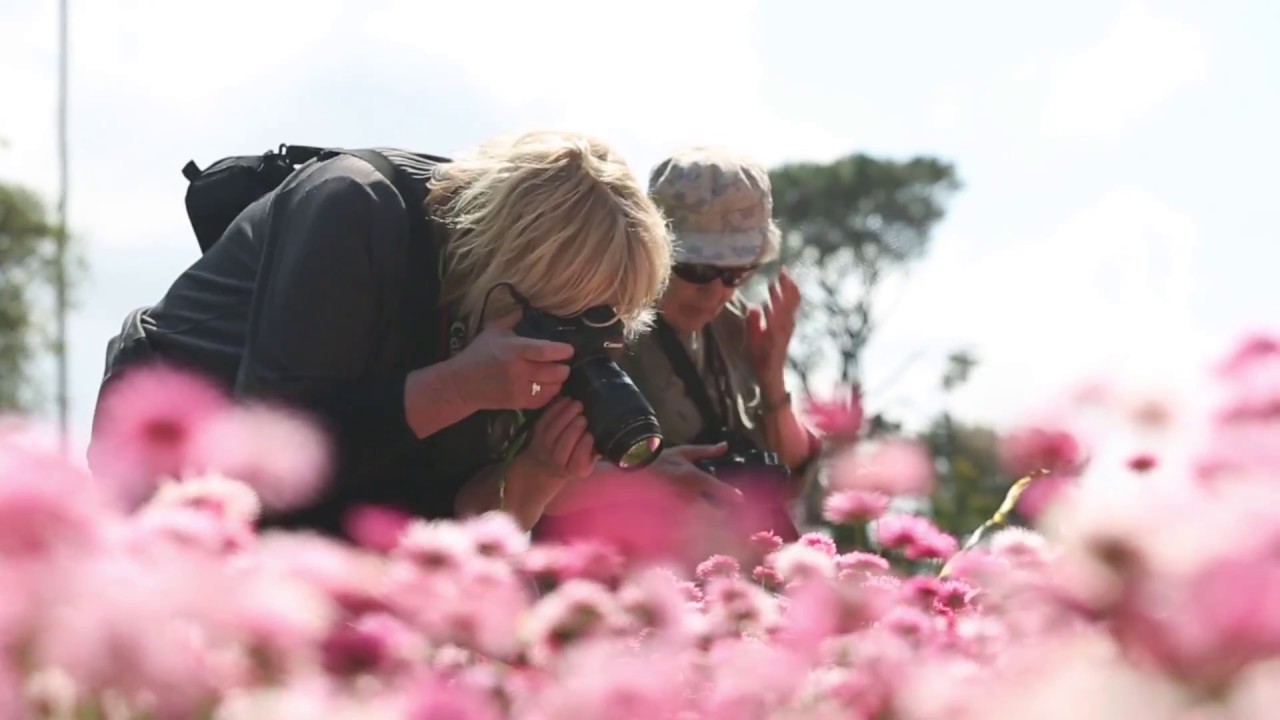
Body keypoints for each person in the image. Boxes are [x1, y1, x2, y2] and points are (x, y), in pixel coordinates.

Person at [89, 130, 701, 536]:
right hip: (179, 458)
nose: (569, 340)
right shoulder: (352, 205)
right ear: (506, 263)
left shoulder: (499, 310)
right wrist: (460, 388)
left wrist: (536, 476)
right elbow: (272, 458)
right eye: (560, 313)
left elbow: (442, 520)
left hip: (334, 481)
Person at [617, 146, 823, 543]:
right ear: (653, 248)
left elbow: (791, 474)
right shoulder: (602, 321)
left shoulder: (736, 325)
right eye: (696, 269)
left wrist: (771, 378)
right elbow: (525, 480)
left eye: (736, 273)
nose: (715, 293)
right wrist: (645, 478)